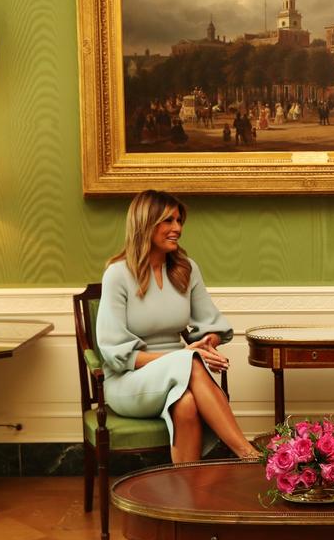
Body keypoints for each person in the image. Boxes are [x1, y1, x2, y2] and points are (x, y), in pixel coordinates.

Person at [97, 190, 260, 463]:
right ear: (145, 224)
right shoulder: (117, 275)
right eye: (168, 221)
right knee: (192, 362)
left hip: (181, 374)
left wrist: (208, 343)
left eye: (179, 221)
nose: (177, 228)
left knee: (185, 404)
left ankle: (185, 497)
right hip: (129, 380)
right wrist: (184, 357)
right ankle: (247, 454)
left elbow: (211, 324)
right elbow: (116, 353)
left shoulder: (186, 269)